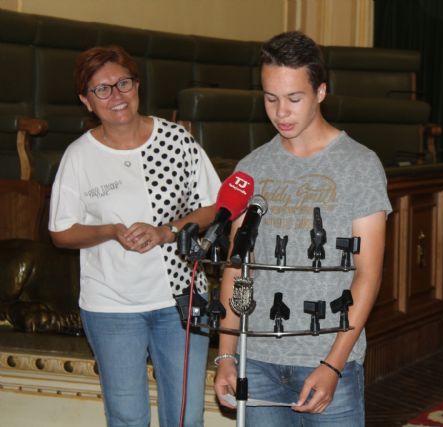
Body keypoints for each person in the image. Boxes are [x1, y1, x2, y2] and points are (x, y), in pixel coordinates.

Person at [213, 31, 391, 426]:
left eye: (294, 98)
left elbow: (368, 275)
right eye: (270, 98)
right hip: (255, 359)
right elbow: (236, 268)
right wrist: (227, 354)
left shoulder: (359, 165)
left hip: (326, 356)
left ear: (321, 91)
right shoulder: (251, 168)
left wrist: (334, 364)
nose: (281, 112)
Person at [49, 45, 221, 427]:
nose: (116, 95)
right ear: (86, 100)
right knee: (127, 418)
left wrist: (167, 231)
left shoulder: (176, 141)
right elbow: (61, 232)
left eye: (123, 83)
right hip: (111, 307)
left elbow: (213, 206)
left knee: (185, 419)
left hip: (180, 297)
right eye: (102, 89)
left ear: (137, 85)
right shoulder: (79, 156)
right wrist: (110, 231)